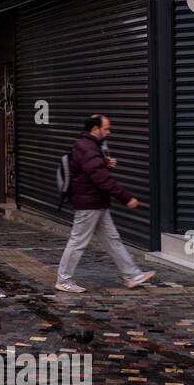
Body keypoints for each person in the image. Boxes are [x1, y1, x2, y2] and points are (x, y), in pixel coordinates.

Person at [55, 114, 156, 293]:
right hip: (89, 203)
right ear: (96, 129)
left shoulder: (90, 146)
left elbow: (93, 170)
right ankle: (63, 280)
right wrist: (126, 197)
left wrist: (105, 164)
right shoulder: (87, 147)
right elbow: (101, 178)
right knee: (78, 241)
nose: (109, 132)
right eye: (106, 128)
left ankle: (132, 275)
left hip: (97, 202)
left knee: (112, 239)